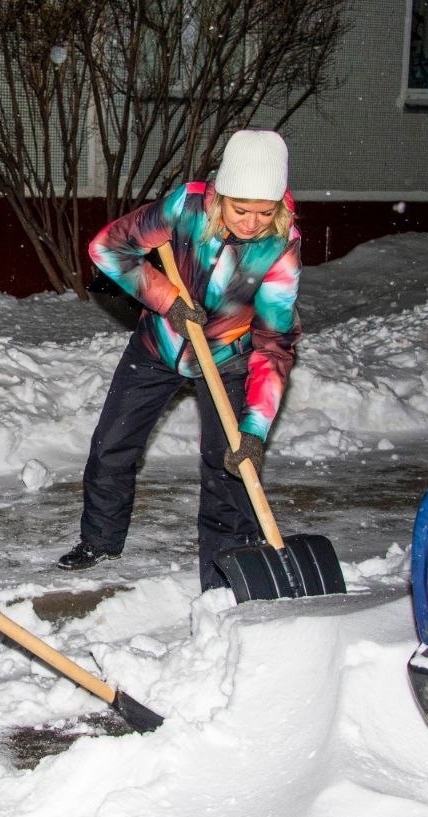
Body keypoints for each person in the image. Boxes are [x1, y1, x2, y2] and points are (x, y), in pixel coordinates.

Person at [58, 130, 302, 592]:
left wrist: (253, 430)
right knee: (113, 443)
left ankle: (225, 576)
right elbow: (108, 247)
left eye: (264, 212)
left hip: (231, 355)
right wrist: (165, 297)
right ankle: (101, 541)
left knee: (228, 467)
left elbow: (273, 342)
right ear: (219, 196)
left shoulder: (281, 246)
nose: (251, 223)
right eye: (241, 210)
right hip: (160, 346)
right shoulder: (186, 207)